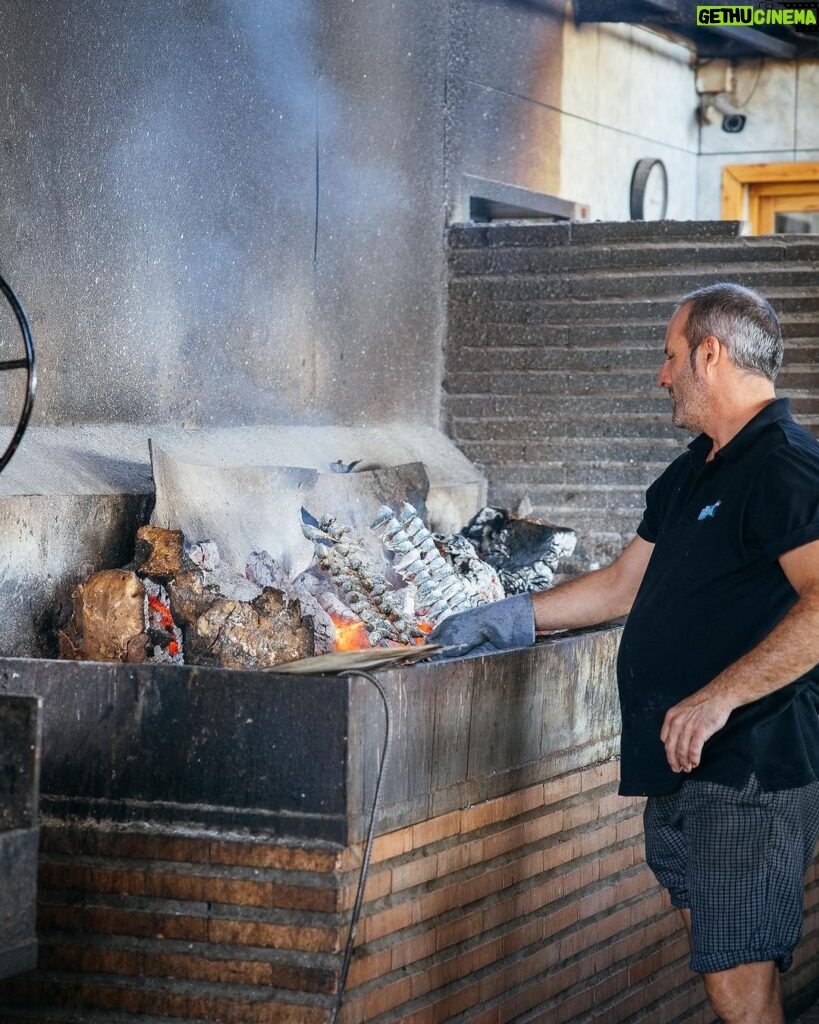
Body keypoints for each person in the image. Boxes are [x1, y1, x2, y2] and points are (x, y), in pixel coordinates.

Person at [429, 283, 819, 1024]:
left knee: (738, 984)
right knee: (724, 965)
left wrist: (719, 697)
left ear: (711, 353)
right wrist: (509, 617)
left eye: (670, 356)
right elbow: (618, 587)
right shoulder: (695, 470)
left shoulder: (784, 466)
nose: (660, 375)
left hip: (748, 766)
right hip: (684, 765)